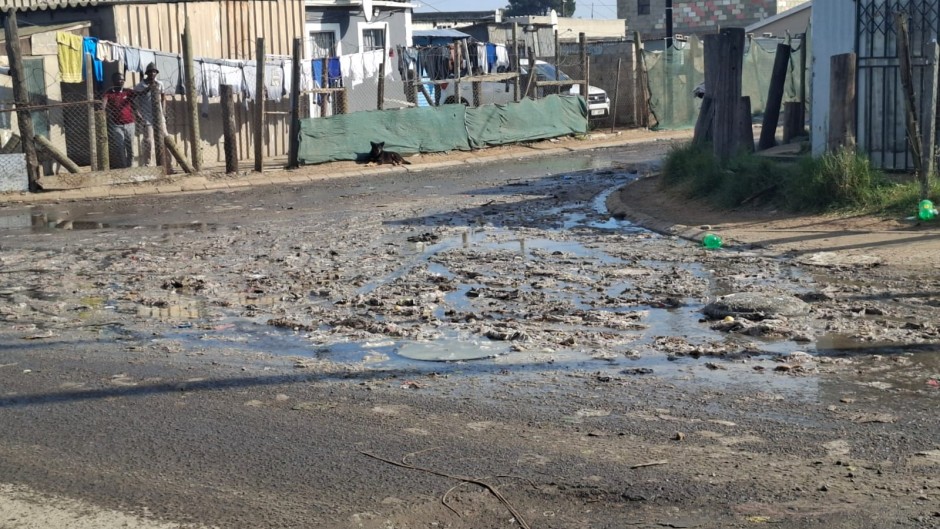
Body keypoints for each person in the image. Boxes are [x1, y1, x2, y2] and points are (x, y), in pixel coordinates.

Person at [102, 72, 137, 168]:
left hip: (130, 123)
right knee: (120, 147)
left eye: (123, 79)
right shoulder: (109, 93)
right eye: (119, 79)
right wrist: (102, 110)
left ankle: (130, 167)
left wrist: (138, 114)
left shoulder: (128, 92)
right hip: (116, 125)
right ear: (114, 81)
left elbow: (134, 102)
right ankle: (124, 167)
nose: (121, 81)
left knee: (130, 147)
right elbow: (104, 102)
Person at [134, 62, 165, 167]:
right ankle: (148, 165)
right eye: (150, 72)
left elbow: (163, 98)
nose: (152, 73)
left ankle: (167, 165)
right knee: (148, 141)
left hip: (159, 116)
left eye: (154, 72)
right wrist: (137, 113)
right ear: (147, 73)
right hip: (147, 117)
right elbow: (134, 100)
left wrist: (163, 111)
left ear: (156, 73)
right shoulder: (140, 86)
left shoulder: (160, 84)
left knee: (165, 139)